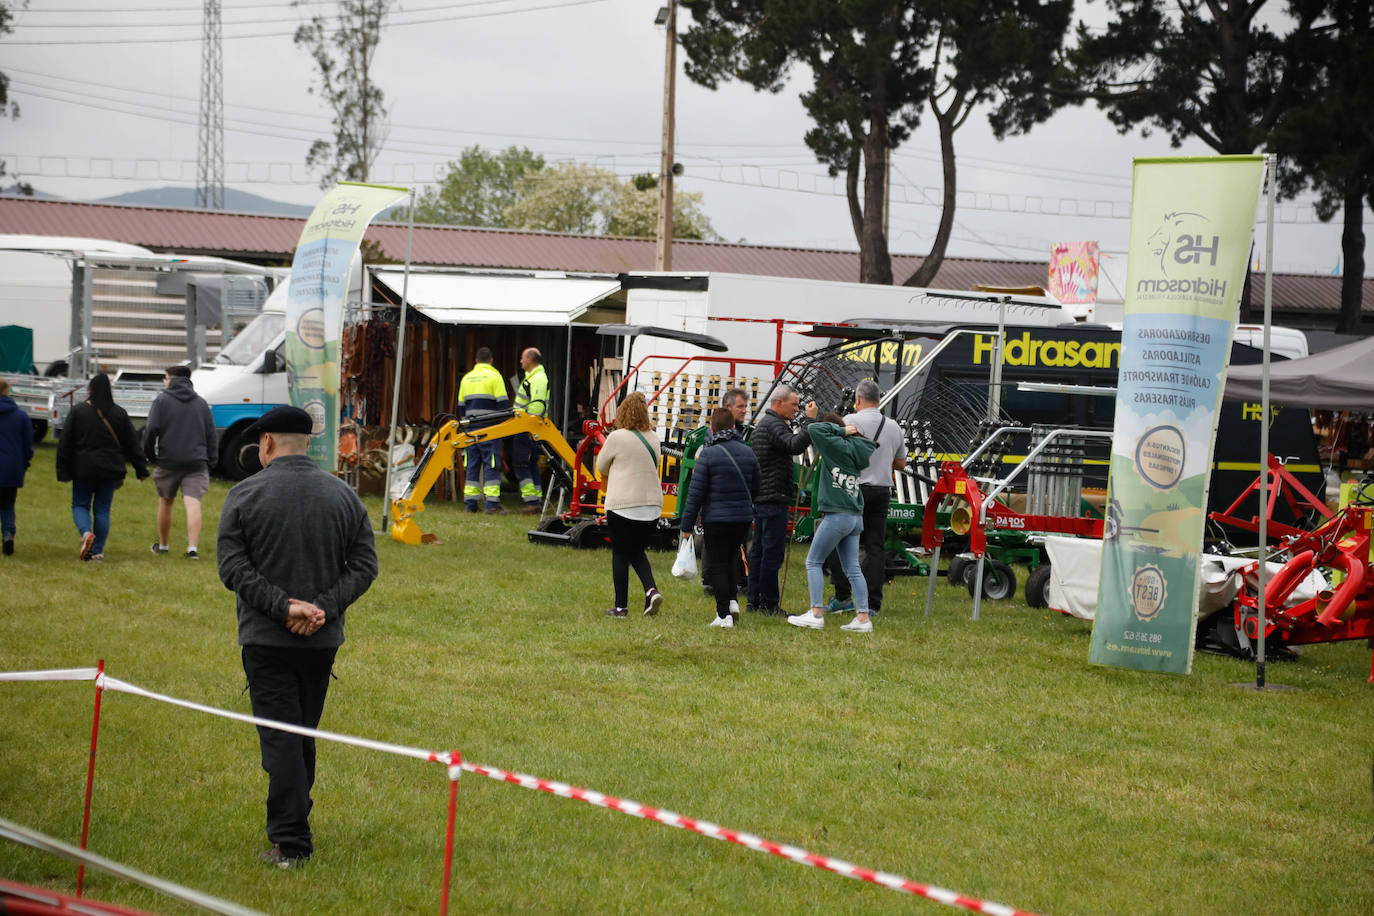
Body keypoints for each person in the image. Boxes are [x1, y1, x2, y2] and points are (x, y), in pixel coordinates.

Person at [216, 405, 378, 870]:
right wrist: (321, 608)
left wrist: (284, 607)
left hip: (267, 640)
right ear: (307, 442)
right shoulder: (344, 496)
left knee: (283, 739)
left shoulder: (245, 495)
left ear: (266, 443)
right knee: (300, 734)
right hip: (320, 642)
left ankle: (290, 841)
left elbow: (233, 567)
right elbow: (365, 566)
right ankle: (295, 819)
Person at [787, 413, 878, 633]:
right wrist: (844, 432)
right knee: (853, 568)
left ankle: (816, 613)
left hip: (837, 515)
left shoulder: (833, 446)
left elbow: (815, 430)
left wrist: (840, 430)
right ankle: (863, 618)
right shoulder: (855, 448)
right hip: (855, 516)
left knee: (813, 562)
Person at [824, 379, 907, 616]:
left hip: (853, 488)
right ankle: (873, 603)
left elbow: (836, 451)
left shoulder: (850, 421)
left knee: (837, 540)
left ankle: (842, 596)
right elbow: (901, 463)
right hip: (881, 491)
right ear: (878, 400)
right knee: (874, 546)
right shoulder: (893, 426)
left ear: (857, 399)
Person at [678, 407, 761, 627]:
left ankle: (723, 614)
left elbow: (696, 493)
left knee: (717, 564)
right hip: (742, 518)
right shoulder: (747, 451)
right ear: (733, 427)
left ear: (712, 428)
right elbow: (757, 486)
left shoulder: (708, 454)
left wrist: (686, 525)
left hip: (716, 518)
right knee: (732, 559)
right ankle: (732, 602)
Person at [56, 373, 149, 561]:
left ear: (90, 389)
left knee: (80, 504)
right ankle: (97, 551)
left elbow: (65, 443)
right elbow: (132, 444)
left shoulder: (79, 411)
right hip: (110, 469)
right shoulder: (119, 413)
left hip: (83, 468)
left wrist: (63, 471)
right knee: (102, 509)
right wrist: (141, 469)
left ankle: (86, 533)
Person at [746, 385, 818, 615]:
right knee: (771, 553)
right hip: (773, 498)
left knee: (758, 551)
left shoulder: (765, 425)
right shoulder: (774, 425)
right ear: (779, 403)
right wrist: (810, 422)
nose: (797, 409)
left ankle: (753, 600)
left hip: (763, 497)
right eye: (794, 404)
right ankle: (769, 603)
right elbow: (794, 445)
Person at [595, 392, 665, 618]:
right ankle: (651, 589)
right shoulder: (654, 438)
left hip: (623, 504)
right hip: (652, 506)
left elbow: (601, 466)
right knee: (636, 550)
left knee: (620, 554)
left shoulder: (616, 437)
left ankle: (621, 606)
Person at [143, 364, 218, 559]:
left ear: (170, 379)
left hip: (168, 461)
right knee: (193, 504)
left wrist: (152, 457)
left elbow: (151, 430)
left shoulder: (161, 400)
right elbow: (211, 435)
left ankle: (164, 545)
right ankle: (192, 549)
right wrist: (211, 461)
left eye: (165, 377)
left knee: (166, 502)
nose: (164, 381)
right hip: (196, 462)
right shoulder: (201, 403)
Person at [456, 346, 510, 513]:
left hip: (471, 430)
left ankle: (470, 504)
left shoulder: (466, 378)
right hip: (490, 430)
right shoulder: (495, 376)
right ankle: (492, 504)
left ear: (476, 360)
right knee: (491, 465)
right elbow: (503, 406)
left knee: (472, 466)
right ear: (491, 360)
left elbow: (461, 408)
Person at [512, 346, 550, 514]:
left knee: (521, 463)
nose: (520, 361)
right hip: (528, 427)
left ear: (529, 359)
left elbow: (536, 405)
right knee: (531, 463)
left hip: (527, 428)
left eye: (522, 358)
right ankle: (536, 500)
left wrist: (528, 426)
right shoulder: (534, 377)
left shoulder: (538, 378)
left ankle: (531, 501)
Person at [0, 378, 34, 556]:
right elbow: (28, 445)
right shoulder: (20, 416)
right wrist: (25, 463)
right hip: (11, 468)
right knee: (7, 505)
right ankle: (8, 535)